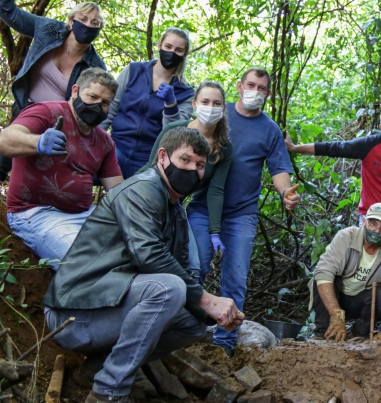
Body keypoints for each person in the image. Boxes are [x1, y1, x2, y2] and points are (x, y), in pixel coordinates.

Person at [42, 127, 244, 403]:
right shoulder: (142, 189)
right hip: (73, 316)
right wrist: (207, 300)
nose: (193, 170)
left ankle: (97, 370)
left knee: (194, 323)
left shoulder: (174, 211)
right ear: (162, 156)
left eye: (199, 165)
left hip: (109, 306)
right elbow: (148, 254)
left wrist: (214, 313)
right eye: (184, 159)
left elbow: (183, 269)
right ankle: (108, 392)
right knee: (169, 289)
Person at [199, 67, 300, 355]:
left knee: (235, 277)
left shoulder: (269, 129)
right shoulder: (219, 111)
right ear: (239, 85)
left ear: (267, 94)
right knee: (196, 266)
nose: (255, 91)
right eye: (251, 84)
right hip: (203, 207)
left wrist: (286, 194)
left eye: (262, 87)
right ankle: (183, 332)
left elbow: (279, 168)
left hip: (241, 214)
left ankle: (225, 345)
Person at [285, 106, 381, 293]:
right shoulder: (369, 145)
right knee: (363, 266)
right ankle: (363, 310)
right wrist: (294, 148)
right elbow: (334, 148)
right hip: (370, 216)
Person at [0, 68, 123, 268]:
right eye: (92, 97)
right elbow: (5, 140)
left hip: (84, 215)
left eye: (105, 103)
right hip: (34, 213)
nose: (97, 106)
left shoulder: (104, 142)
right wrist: (38, 142)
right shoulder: (47, 112)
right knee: (84, 264)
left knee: (132, 250)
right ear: (75, 91)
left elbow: (118, 192)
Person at [0, 0, 107, 180]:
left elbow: (94, 107)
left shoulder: (95, 67)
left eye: (95, 23)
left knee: (36, 177)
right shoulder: (49, 30)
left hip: (56, 124)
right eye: (83, 19)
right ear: (70, 21)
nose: (88, 25)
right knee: (2, 160)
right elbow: (7, 9)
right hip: (25, 109)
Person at [141, 81, 232, 282]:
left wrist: (214, 232)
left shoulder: (223, 147)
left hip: (180, 208)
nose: (210, 107)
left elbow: (215, 190)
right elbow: (151, 167)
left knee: (195, 264)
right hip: (155, 202)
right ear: (194, 104)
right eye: (205, 101)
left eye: (217, 103)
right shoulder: (175, 130)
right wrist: (123, 193)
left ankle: (189, 307)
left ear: (224, 108)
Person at [99, 27, 194, 178]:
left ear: (185, 54)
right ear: (159, 45)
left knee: (136, 197)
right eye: (168, 47)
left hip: (148, 157)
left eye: (178, 50)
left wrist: (170, 104)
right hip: (116, 146)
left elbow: (173, 134)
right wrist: (95, 140)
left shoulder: (186, 92)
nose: (172, 53)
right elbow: (110, 107)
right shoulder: (133, 70)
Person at [311, 203, 381, 341]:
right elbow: (324, 272)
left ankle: (359, 333)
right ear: (364, 221)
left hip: (360, 301)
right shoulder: (346, 237)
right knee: (321, 278)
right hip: (336, 296)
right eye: (373, 224)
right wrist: (335, 314)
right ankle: (322, 333)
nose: (377, 231)